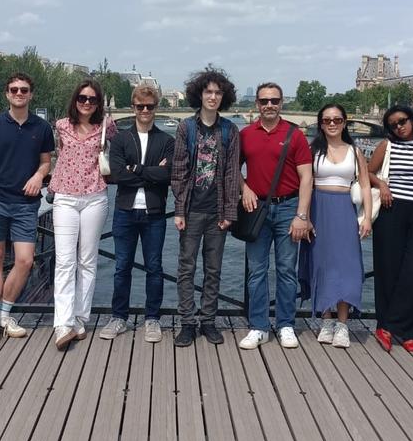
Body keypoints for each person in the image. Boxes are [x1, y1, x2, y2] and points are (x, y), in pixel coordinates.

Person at [0, 73, 53, 348]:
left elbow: (46, 163)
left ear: (31, 95)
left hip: (26, 204)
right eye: (14, 89)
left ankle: (4, 313)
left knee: (25, 261)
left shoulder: (41, 128)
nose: (19, 93)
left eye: (24, 90)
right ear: (7, 94)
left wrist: (38, 176)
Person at [238, 82, 313, 351]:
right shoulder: (245, 134)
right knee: (256, 271)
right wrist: (244, 188)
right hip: (255, 208)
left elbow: (306, 178)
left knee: (286, 270)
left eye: (274, 100)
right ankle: (258, 326)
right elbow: (233, 170)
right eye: (264, 101)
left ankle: (285, 324)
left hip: (288, 208)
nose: (269, 105)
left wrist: (302, 215)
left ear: (282, 103)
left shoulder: (295, 135)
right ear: (256, 104)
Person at [170, 70, 240, 347]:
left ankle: (208, 321)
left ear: (223, 97)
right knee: (186, 268)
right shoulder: (186, 128)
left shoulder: (229, 130)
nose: (213, 97)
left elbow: (233, 173)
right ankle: (187, 322)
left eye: (218, 93)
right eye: (208, 92)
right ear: (199, 94)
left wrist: (229, 213)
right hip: (191, 209)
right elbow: (178, 171)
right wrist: (178, 209)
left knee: (213, 269)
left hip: (217, 212)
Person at [102, 83, 175, 343]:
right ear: (133, 108)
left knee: (154, 267)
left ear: (156, 108)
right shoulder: (121, 138)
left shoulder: (167, 140)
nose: (145, 110)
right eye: (140, 106)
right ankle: (118, 317)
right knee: (122, 266)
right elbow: (119, 174)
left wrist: (137, 169)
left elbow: (167, 176)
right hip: (125, 210)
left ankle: (152, 318)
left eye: (150, 106)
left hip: (154, 212)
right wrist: (151, 171)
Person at [49, 79, 117, 351]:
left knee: (87, 261)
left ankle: (80, 318)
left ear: (99, 103)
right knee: (65, 261)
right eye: (82, 98)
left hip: (94, 197)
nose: (87, 103)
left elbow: (125, 146)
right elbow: (54, 155)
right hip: (65, 196)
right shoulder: (61, 126)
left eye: (92, 99)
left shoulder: (106, 127)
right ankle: (62, 322)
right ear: (75, 100)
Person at [368, 105, 413, 353]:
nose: (399, 127)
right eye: (393, 125)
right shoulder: (387, 147)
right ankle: (385, 326)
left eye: (402, 121)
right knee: (388, 269)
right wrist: (383, 185)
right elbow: (367, 172)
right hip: (391, 210)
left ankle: (409, 329)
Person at [300, 103, 370, 349]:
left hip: (344, 210)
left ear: (344, 123)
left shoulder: (355, 151)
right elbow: (306, 184)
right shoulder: (312, 150)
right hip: (318, 208)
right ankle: (326, 319)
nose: (332, 124)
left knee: (348, 267)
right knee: (321, 264)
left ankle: (343, 324)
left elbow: (364, 185)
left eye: (337, 120)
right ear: (320, 123)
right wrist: (304, 216)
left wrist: (368, 218)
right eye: (327, 120)